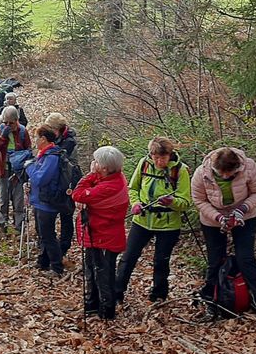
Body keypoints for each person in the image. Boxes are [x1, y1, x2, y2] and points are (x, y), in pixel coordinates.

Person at [192, 146, 256, 321]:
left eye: (229, 173)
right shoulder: (202, 173)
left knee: (246, 258)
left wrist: (242, 209)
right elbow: (199, 199)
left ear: (236, 167)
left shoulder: (248, 167)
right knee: (215, 260)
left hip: (245, 215)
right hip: (212, 219)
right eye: (221, 173)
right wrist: (219, 217)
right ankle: (211, 301)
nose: (225, 177)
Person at [114, 137, 191, 304]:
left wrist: (172, 202)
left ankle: (158, 295)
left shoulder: (180, 170)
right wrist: (135, 203)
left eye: (163, 158)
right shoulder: (144, 164)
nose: (159, 161)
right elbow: (133, 188)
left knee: (161, 260)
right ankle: (117, 292)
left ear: (170, 154)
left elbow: (185, 202)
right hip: (142, 219)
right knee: (129, 257)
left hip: (169, 224)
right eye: (155, 157)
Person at [73, 146, 129, 320]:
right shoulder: (110, 177)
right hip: (97, 234)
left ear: (104, 168)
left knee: (103, 274)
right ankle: (92, 306)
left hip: (105, 236)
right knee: (91, 269)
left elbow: (78, 194)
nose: (93, 163)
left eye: (96, 162)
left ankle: (106, 311)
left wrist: (90, 175)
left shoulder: (111, 185)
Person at [26, 124, 66, 276]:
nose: (35, 140)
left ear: (43, 139)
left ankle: (56, 267)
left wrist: (29, 167)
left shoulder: (51, 157)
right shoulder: (44, 155)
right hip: (40, 201)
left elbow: (40, 179)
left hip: (47, 203)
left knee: (48, 235)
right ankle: (43, 262)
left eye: (36, 137)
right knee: (42, 234)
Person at [0, 106, 31, 233]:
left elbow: (29, 149)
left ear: (16, 120)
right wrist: (3, 137)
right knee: (3, 199)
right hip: (3, 169)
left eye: (11, 123)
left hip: (18, 171)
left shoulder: (22, 131)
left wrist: (20, 156)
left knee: (18, 199)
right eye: (5, 122)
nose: (8, 125)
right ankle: (3, 226)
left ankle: (19, 227)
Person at [45, 113, 77, 256]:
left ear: (58, 129)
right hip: (56, 181)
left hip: (67, 182)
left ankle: (64, 246)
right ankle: (50, 248)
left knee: (66, 214)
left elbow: (59, 158)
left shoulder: (69, 141)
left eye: (51, 129)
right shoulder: (57, 139)